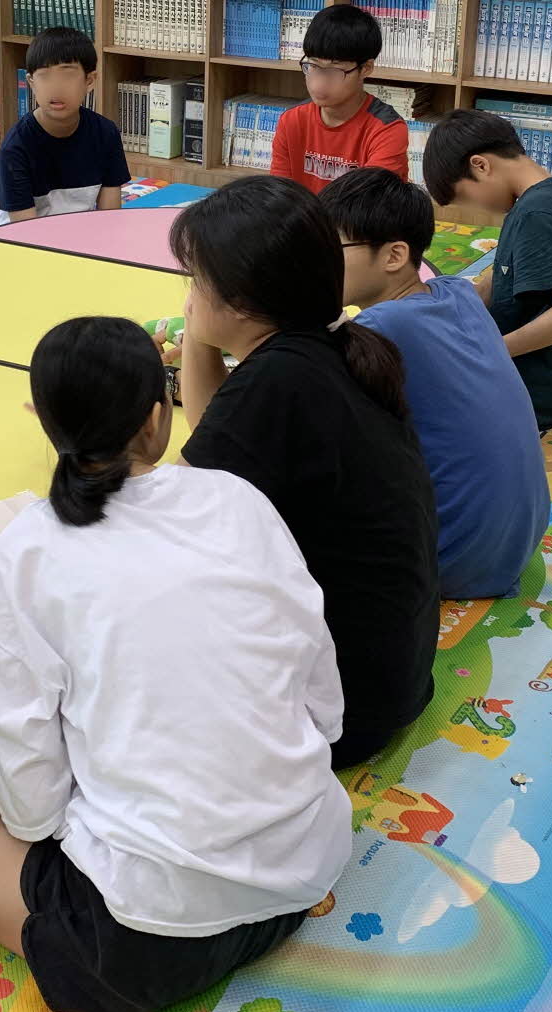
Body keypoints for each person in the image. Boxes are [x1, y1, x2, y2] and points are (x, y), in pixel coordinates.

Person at [0, 317, 350, 1012]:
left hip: (144, 946)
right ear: (156, 417)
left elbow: (30, 805)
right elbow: (324, 702)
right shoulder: (238, 499)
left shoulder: (29, 547)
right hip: (308, 870)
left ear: (47, 424)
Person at [170, 176, 439, 768]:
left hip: (335, 713)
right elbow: (217, 436)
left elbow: (176, 508)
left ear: (243, 297)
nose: (189, 292)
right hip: (392, 678)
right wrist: (198, 332)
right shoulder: (332, 345)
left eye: (196, 279)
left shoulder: (278, 381)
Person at [321, 167, 550, 599]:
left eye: (330, 248)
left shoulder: (378, 329)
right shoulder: (457, 293)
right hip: (515, 544)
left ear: (394, 256)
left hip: (450, 560)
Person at [423, 109, 552, 431]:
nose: (476, 209)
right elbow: (505, 270)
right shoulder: (544, 197)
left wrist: (493, 351)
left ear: (481, 165)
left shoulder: (535, 214)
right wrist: (458, 302)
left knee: (415, 395)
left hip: (537, 392)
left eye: (465, 198)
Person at [268, 3, 409, 195]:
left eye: (334, 70)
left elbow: (368, 205)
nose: (319, 84)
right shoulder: (292, 121)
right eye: (313, 66)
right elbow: (279, 198)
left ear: (365, 68)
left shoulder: (387, 130)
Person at [0, 27, 131, 223]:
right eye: (45, 76)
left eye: (67, 75)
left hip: (81, 234)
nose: (56, 87)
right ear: (31, 83)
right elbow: (22, 232)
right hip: (21, 236)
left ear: (89, 80)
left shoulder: (106, 134)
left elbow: (110, 218)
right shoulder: (15, 149)